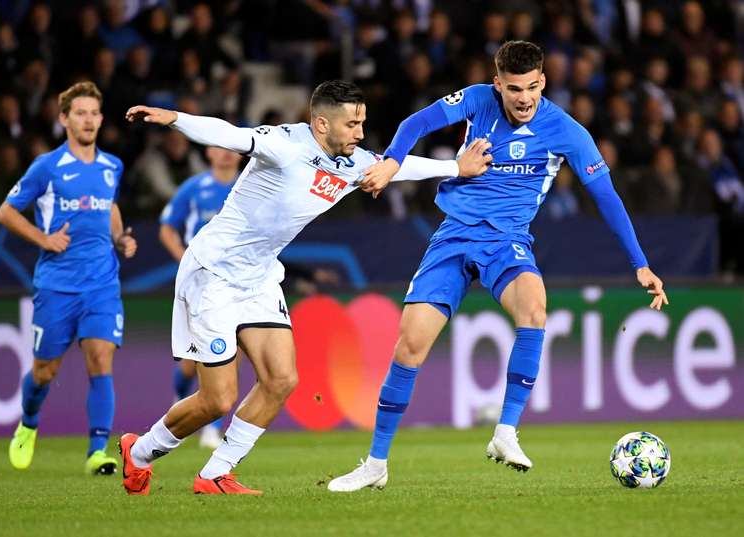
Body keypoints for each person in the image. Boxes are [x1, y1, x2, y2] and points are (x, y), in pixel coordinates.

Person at [119, 80, 492, 496]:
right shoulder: (286, 144)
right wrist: (176, 119)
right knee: (218, 400)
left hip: (259, 276)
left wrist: (456, 168)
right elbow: (232, 135)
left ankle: (214, 475)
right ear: (320, 123)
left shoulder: (350, 161)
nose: (360, 133)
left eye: (362, 123)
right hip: (213, 274)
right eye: (352, 124)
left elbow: (394, 166)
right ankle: (140, 452)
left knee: (281, 380)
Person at [327, 41, 669, 493]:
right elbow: (417, 122)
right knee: (409, 346)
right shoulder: (476, 100)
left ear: (543, 81)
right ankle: (375, 464)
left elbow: (606, 197)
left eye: (531, 87)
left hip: (506, 241)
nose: (523, 97)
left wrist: (640, 264)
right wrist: (391, 163)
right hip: (453, 235)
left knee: (534, 310)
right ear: (497, 85)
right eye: (513, 89)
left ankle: (505, 432)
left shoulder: (567, 131)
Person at [0, 81, 136, 475]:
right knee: (45, 372)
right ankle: (27, 423)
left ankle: (97, 452)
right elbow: (6, 212)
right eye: (80, 113)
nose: (88, 120)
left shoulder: (112, 166)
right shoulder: (47, 167)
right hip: (57, 285)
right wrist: (43, 238)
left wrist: (119, 237)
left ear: (101, 119)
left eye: (94, 113)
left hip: (102, 283)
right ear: (64, 119)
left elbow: (109, 206)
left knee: (100, 360)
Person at [159, 146, 242, 449]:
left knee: (232, 351)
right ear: (209, 152)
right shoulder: (194, 188)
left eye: (232, 149)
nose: (226, 155)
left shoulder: (250, 183)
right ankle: (181, 400)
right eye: (220, 149)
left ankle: (213, 428)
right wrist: (185, 259)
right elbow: (167, 228)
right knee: (192, 361)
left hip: (238, 281)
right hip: (200, 282)